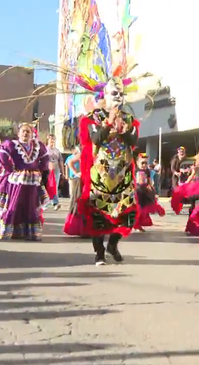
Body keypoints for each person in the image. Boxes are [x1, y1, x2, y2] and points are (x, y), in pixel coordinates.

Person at [78, 77, 140, 265]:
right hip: (101, 174)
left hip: (122, 174)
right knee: (98, 216)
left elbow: (134, 142)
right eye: (114, 93)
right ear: (105, 95)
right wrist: (109, 122)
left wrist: (123, 131)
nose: (119, 97)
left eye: (122, 93)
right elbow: (96, 139)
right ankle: (99, 253)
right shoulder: (94, 117)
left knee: (127, 214)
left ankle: (113, 244)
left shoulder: (129, 118)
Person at [0, 123, 50, 240]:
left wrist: (40, 170)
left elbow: (45, 158)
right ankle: (8, 231)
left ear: (32, 134)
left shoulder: (38, 146)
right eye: (23, 131)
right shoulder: (12, 145)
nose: (26, 133)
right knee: (14, 204)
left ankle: (29, 232)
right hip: (17, 180)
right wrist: (10, 169)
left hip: (32, 181)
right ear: (18, 134)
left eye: (28, 131)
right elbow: (2, 155)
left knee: (31, 205)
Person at [133, 153, 166, 232]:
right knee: (137, 209)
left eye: (146, 163)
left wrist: (151, 186)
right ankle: (135, 224)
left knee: (145, 208)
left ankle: (138, 225)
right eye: (142, 163)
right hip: (137, 191)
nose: (144, 165)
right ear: (137, 162)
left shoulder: (147, 171)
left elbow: (149, 180)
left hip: (145, 191)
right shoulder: (134, 171)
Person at [64, 146, 89, 237]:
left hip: (94, 181)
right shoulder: (83, 153)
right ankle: (80, 229)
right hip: (82, 181)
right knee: (80, 202)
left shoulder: (99, 153)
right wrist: (76, 173)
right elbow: (70, 162)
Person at [47, 134, 64, 210]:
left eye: (53, 139)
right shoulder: (45, 149)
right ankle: (47, 202)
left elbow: (61, 161)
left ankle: (55, 202)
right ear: (48, 140)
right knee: (48, 186)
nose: (52, 140)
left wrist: (63, 172)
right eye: (51, 139)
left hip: (56, 170)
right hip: (47, 170)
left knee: (55, 186)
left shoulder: (57, 151)